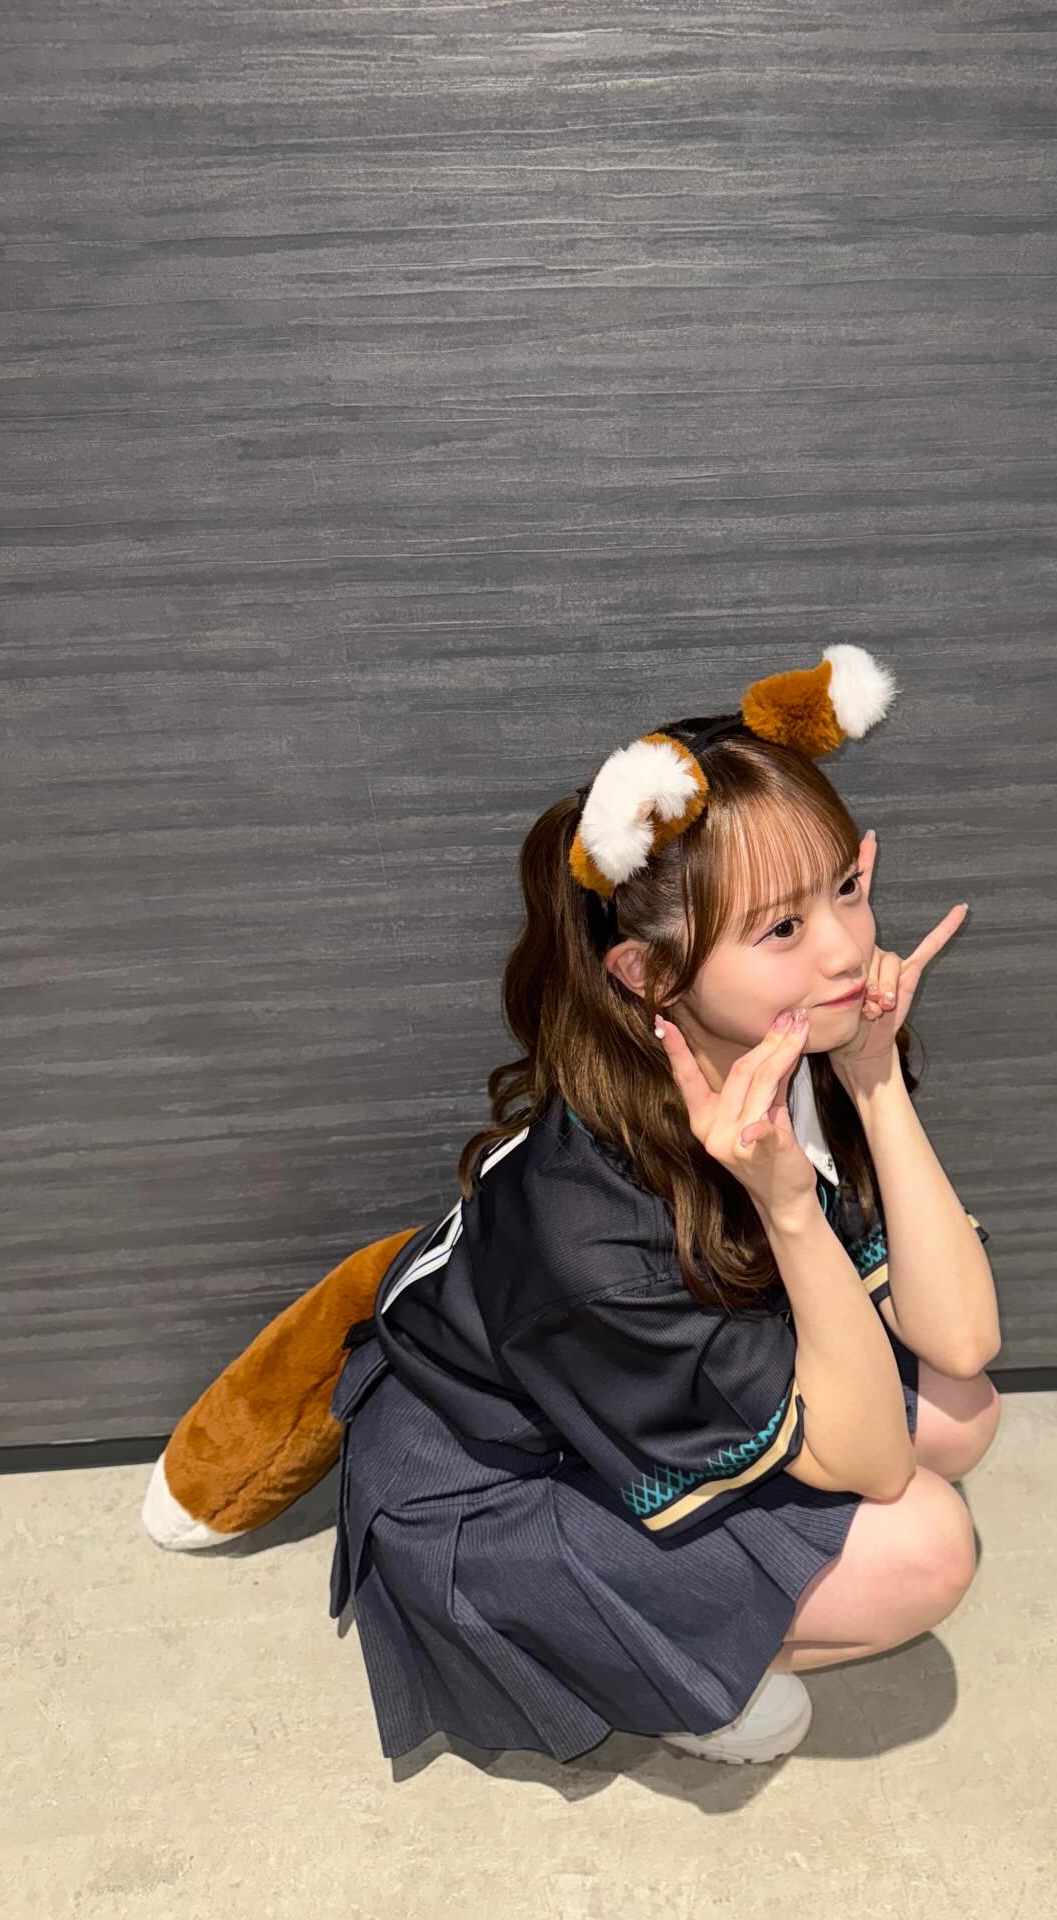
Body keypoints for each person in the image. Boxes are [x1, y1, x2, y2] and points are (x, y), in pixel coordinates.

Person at [328, 644, 1002, 1768]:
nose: (848, 950)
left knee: (964, 1410)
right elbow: (882, 1472)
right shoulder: (593, 1225)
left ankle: (699, 1621)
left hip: (610, 1392)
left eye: (846, 887)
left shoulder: (797, 1048)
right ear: (647, 975)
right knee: (926, 1544)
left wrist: (877, 1081)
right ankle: (668, 1674)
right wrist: (790, 1210)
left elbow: (965, 1339)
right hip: (489, 1482)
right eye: (782, 929)